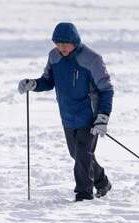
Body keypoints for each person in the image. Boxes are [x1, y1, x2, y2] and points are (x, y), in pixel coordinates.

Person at [18, 22, 114, 202]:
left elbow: (106, 90)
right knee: (77, 155)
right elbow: (48, 80)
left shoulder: (92, 59)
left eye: (65, 43)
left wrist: (102, 117)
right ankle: (102, 182)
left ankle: (84, 195)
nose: (61, 47)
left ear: (75, 42)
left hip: (89, 116)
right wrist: (34, 84)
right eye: (57, 43)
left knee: (83, 154)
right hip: (68, 115)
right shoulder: (54, 56)